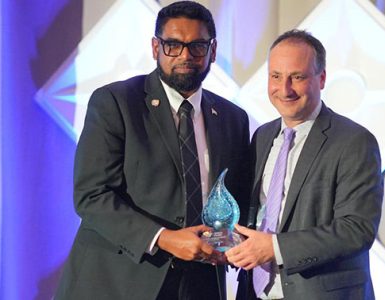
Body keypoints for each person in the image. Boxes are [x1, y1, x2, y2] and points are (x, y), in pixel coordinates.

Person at [55, 2, 250, 299]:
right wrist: (165, 238)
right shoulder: (116, 103)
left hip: (202, 283)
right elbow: (91, 196)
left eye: (197, 45)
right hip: (120, 280)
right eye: (173, 45)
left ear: (212, 50)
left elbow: (235, 197)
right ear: (155, 47)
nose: (185, 55)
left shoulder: (232, 118)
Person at [226, 29, 383, 300]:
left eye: (297, 77)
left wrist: (276, 248)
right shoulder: (263, 136)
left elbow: (356, 229)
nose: (284, 89)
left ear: (321, 79)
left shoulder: (354, 141)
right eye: (276, 76)